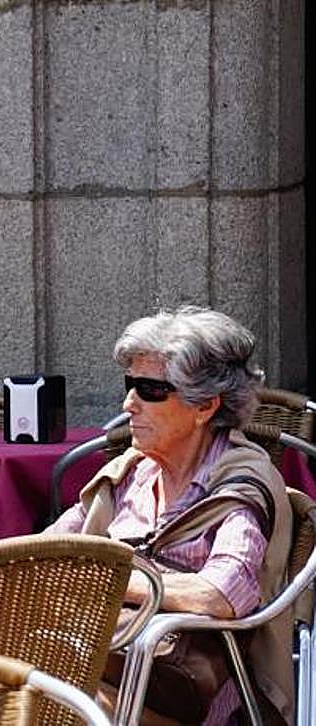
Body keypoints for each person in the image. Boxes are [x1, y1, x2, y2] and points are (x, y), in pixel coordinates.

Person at [47, 306, 292, 724]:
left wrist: (109, 581)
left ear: (205, 406)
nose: (128, 404)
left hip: (192, 697)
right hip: (111, 669)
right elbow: (43, 550)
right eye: (129, 385)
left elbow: (220, 593)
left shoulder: (240, 484)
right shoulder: (131, 475)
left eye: (149, 389)